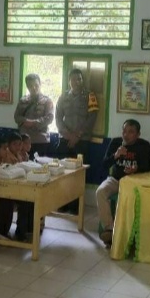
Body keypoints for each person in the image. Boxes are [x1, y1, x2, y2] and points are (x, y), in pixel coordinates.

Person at [97, 119, 150, 247]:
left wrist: (136, 169)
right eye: (124, 131)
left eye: (131, 132)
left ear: (138, 134)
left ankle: (129, 233)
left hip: (134, 181)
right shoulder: (116, 142)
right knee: (100, 192)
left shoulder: (144, 145)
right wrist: (116, 155)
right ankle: (109, 229)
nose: (126, 135)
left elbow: (148, 166)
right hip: (116, 179)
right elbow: (104, 164)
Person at [56, 69, 99, 213]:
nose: (77, 82)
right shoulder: (63, 97)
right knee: (62, 172)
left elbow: (92, 118)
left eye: (79, 79)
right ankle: (62, 203)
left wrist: (77, 136)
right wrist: (67, 135)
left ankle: (75, 207)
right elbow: (58, 117)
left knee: (78, 174)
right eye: (74, 79)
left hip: (82, 141)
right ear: (69, 81)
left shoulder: (90, 96)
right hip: (65, 140)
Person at [14, 73, 54, 158]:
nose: (34, 88)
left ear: (40, 84)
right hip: (24, 141)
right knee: (23, 164)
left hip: (40, 141)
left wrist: (33, 122)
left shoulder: (47, 101)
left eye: (36, 85)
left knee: (39, 165)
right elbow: (16, 117)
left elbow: (49, 118)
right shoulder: (23, 100)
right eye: (30, 86)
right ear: (27, 87)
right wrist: (25, 121)